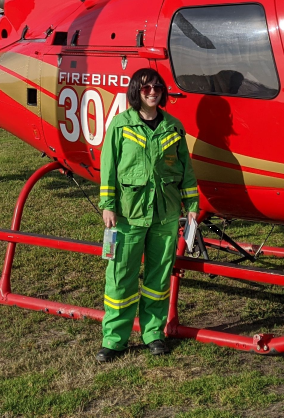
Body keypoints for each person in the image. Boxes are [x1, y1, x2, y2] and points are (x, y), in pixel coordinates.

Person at [96, 68, 198, 362]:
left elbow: (186, 173)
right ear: (135, 92)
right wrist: (108, 204)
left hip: (164, 215)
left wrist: (192, 207)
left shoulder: (174, 128)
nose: (152, 91)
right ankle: (114, 339)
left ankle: (153, 333)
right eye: (145, 88)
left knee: (158, 279)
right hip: (128, 215)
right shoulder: (121, 125)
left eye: (157, 86)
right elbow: (109, 168)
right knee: (120, 278)